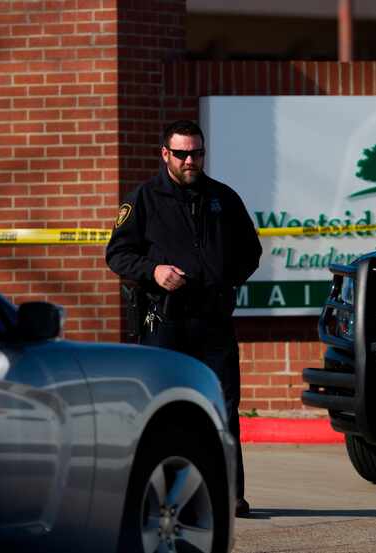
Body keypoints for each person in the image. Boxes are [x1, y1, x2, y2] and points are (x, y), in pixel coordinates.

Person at [106, 119, 262, 517]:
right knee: (164, 411)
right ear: (165, 154)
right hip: (165, 323)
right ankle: (159, 497)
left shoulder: (222, 198)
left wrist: (224, 280)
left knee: (223, 409)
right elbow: (118, 255)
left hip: (212, 324)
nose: (190, 160)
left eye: (197, 153)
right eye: (182, 154)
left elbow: (251, 251)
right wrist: (154, 272)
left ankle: (229, 495)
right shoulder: (143, 199)